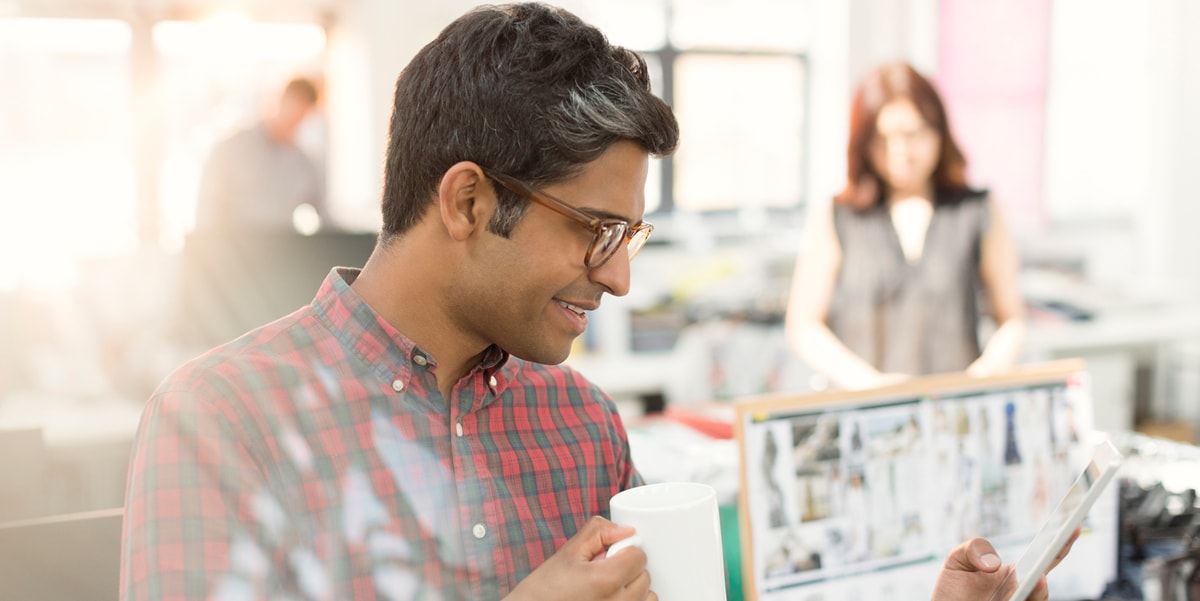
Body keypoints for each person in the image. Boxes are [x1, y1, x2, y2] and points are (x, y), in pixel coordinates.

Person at [121, 6, 1068, 600]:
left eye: (632, 237)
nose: (618, 278)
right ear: (468, 201)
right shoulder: (224, 423)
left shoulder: (579, 425)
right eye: (596, 230)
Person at [785, 62, 1025, 391]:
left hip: (953, 412)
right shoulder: (838, 215)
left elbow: (1011, 317)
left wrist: (990, 369)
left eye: (913, 134)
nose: (900, 152)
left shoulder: (976, 210)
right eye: (883, 139)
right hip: (864, 413)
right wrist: (867, 383)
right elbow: (803, 325)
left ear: (938, 130)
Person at [195, 76, 326, 232]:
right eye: (291, 115)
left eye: (300, 120)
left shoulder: (303, 163)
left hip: (280, 251)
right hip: (233, 250)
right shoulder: (232, 149)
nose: (293, 125)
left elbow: (324, 214)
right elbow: (206, 209)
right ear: (279, 102)